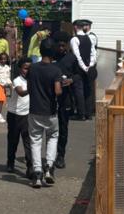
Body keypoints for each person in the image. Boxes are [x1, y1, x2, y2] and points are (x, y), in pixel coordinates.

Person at [27, 46, 63, 188]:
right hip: (50, 110)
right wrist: (62, 85)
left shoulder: (33, 68)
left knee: (35, 141)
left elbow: (29, 88)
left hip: (34, 109)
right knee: (52, 137)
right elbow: (57, 91)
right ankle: (48, 166)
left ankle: (37, 173)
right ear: (52, 54)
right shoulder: (56, 70)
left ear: (41, 52)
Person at [6, 59, 34, 178]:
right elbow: (21, 92)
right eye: (25, 68)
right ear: (20, 69)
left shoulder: (32, 80)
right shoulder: (17, 80)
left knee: (28, 142)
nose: (27, 71)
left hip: (27, 115)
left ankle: (30, 167)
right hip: (14, 114)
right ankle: (10, 162)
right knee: (13, 140)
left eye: (29, 68)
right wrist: (32, 88)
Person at [53, 35, 76, 169]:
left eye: (64, 45)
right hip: (50, 97)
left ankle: (60, 155)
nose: (61, 48)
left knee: (63, 127)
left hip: (66, 97)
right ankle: (48, 155)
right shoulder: (50, 58)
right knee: (49, 128)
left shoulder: (72, 58)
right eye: (59, 46)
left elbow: (80, 75)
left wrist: (71, 80)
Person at [69, 19, 97, 121]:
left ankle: (81, 114)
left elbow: (77, 56)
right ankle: (88, 113)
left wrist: (84, 67)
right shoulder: (89, 38)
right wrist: (90, 65)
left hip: (78, 69)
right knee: (88, 89)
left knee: (79, 90)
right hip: (88, 67)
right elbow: (93, 53)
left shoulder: (74, 39)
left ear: (75, 27)